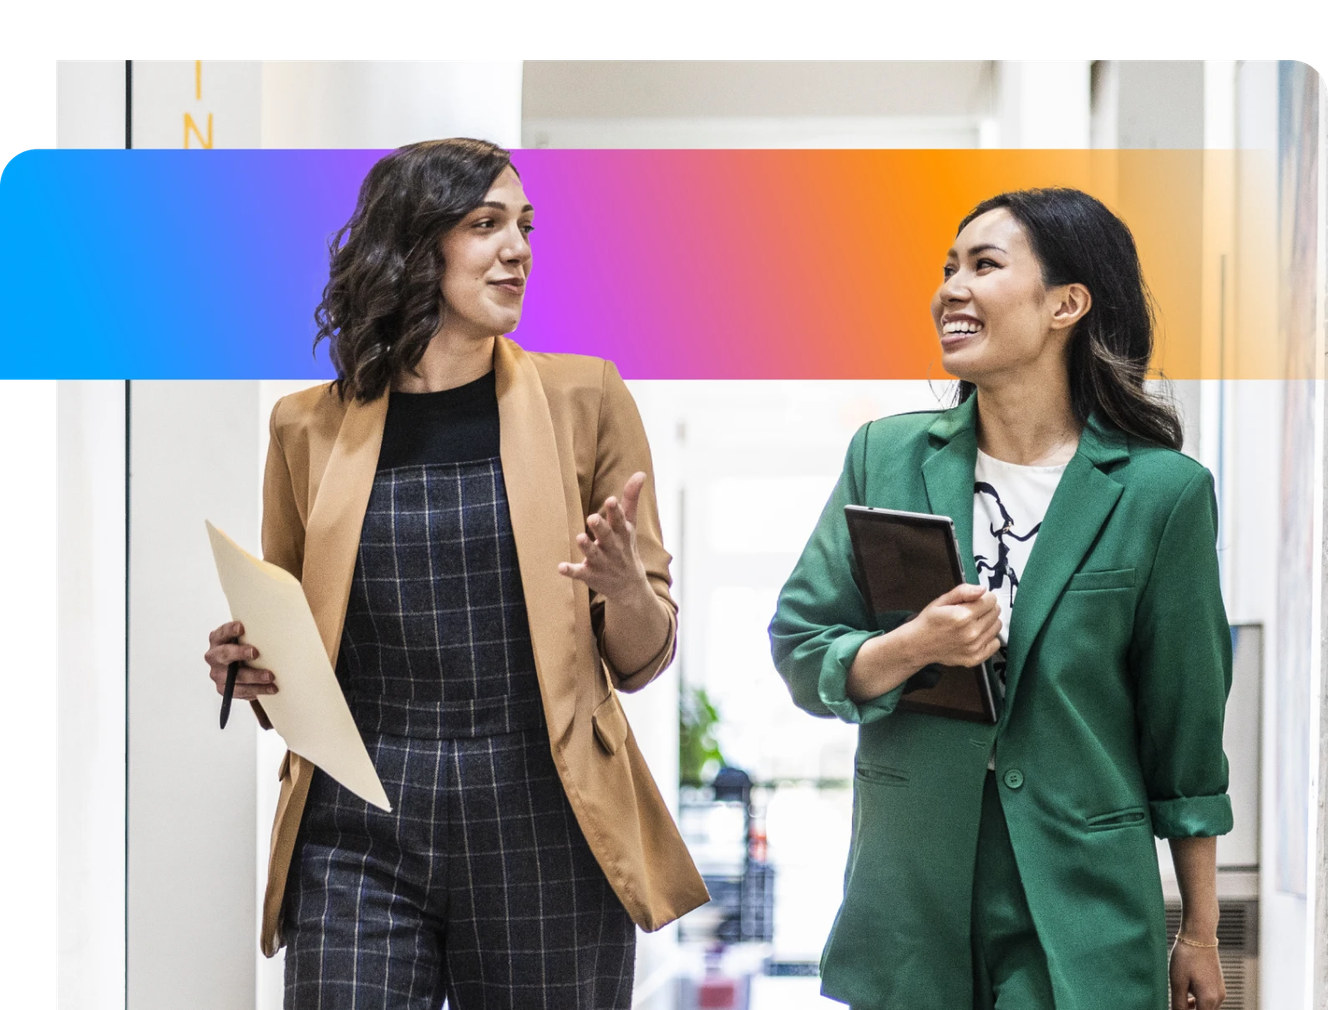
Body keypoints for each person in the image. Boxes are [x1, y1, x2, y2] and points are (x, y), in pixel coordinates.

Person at [202, 138, 707, 1010]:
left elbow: (642, 658)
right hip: (357, 811)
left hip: (545, 810)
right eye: (485, 225)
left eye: (525, 227)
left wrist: (626, 587)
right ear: (412, 243)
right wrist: (250, 666)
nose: (518, 250)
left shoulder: (588, 399)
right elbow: (290, 635)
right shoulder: (303, 428)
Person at [768, 188, 1231, 1010]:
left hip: (1082, 910)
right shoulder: (884, 456)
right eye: (948, 268)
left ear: (1065, 304)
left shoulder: (1163, 494)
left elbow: (1185, 731)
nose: (951, 289)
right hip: (910, 902)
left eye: (984, 266)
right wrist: (911, 646)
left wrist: (1199, 929)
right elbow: (803, 645)